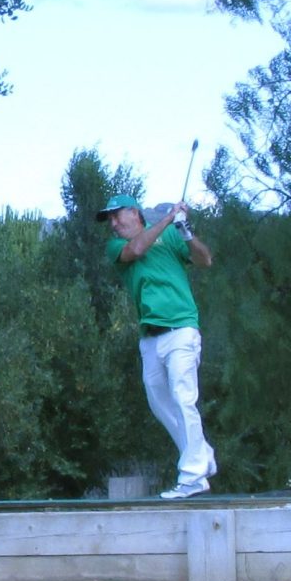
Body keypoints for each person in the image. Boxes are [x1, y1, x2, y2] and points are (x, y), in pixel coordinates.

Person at [97, 192, 216, 499]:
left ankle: (193, 476)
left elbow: (204, 259)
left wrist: (185, 232)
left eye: (116, 215)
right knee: (161, 405)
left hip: (181, 330)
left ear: (135, 213)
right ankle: (201, 454)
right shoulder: (116, 247)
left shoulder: (172, 236)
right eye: (109, 219)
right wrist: (168, 218)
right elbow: (137, 249)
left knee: (183, 396)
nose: (112, 223)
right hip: (150, 338)